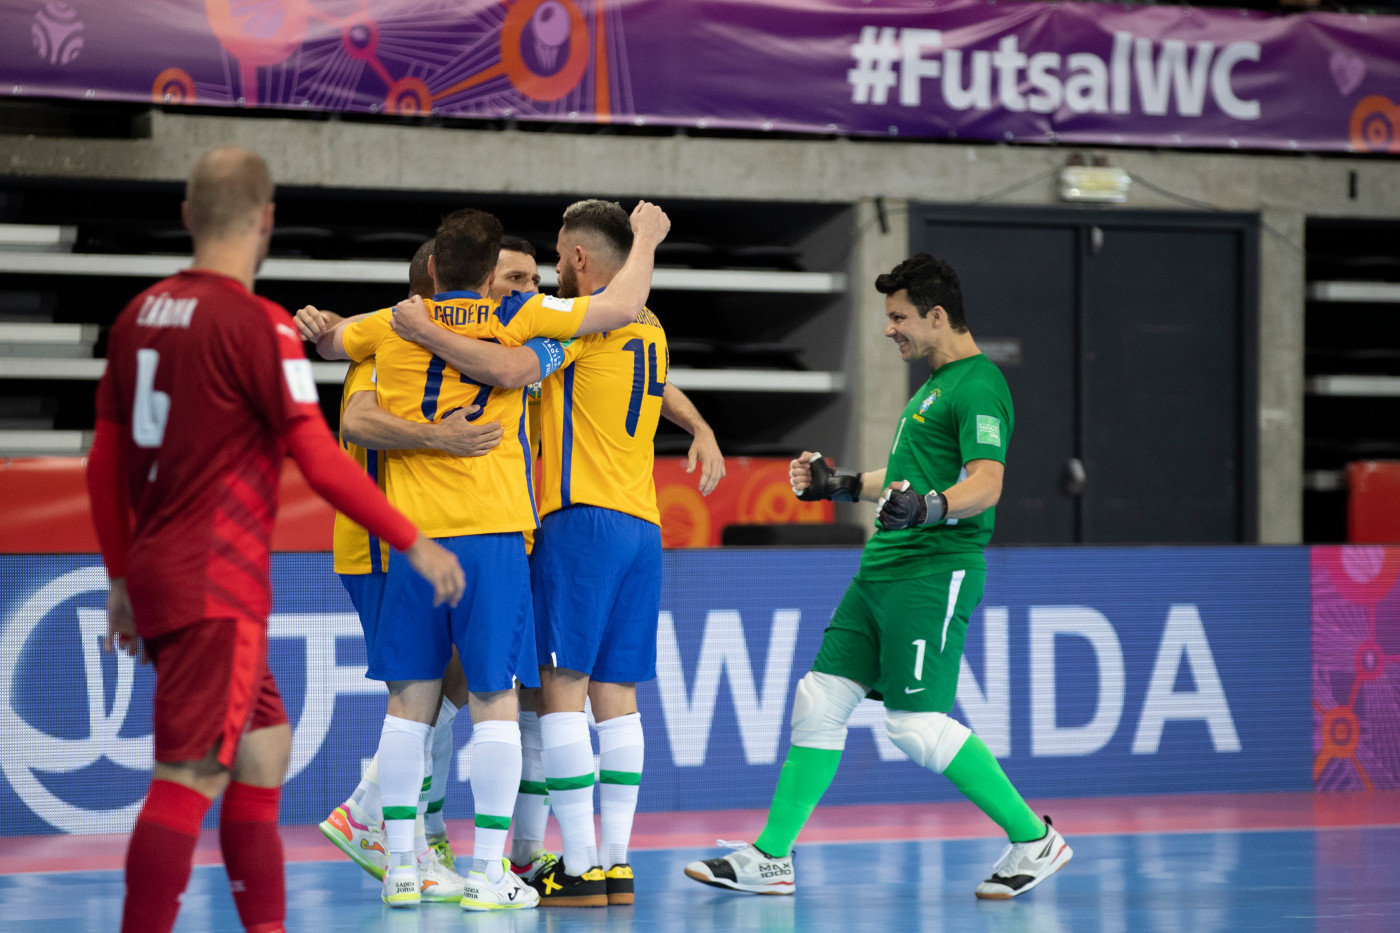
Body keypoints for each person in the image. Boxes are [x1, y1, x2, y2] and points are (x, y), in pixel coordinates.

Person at [85, 146, 464, 933]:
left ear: (189, 216)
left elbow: (104, 461)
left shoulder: (137, 315)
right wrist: (413, 539)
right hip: (215, 581)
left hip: (160, 569)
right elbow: (319, 456)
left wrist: (121, 577)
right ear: (266, 222)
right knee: (187, 772)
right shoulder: (257, 325)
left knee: (264, 748)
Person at [309, 202, 672, 911]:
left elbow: (330, 349)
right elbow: (610, 311)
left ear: (436, 268)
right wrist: (649, 239)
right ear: (488, 278)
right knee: (496, 701)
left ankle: (405, 868)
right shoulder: (526, 319)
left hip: (413, 539)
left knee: (410, 703)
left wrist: (330, 327)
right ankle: (488, 870)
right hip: (500, 534)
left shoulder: (391, 325)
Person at [683, 253, 1072, 900]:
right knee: (820, 698)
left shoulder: (977, 385)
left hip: (932, 571)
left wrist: (932, 508)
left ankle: (1034, 837)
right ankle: (771, 856)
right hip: (881, 571)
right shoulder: (931, 387)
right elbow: (901, 485)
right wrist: (838, 484)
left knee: (915, 725)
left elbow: (986, 483)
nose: (890, 328)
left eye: (899, 317)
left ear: (937, 315)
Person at [390, 199, 724, 908]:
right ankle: (615, 861)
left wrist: (424, 327)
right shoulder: (648, 324)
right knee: (619, 697)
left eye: (555, 254)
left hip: (577, 519)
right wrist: (701, 424)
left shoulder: (576, 320)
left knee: (560, 690)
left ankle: (576, 865)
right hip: (642, 523)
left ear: (577, 259)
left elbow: (508, 369)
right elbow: (657, 386)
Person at [311, 237, 512, 897]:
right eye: (507, 277)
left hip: (433, 536)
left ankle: (415, 832)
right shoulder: (387, 344)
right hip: (385, 543)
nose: (512, 292)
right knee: (424, 692)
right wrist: (441, 436)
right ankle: (375, 815)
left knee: (449, 688)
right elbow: (360, 421)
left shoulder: (473, 349)